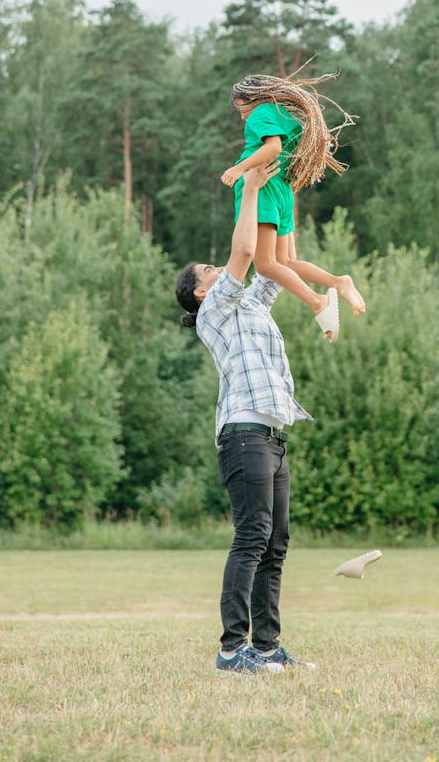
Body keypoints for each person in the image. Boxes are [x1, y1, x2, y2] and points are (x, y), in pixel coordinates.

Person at [175, 161, 315, 674]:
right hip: (243, 434)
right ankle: (232, 650)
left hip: (272, 435)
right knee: (252, 536)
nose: (219, 269)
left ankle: (267, 646)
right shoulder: (214, 313)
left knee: (275, 544)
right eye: (208, 272)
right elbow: (246, 251)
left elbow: (284, 261)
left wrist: (285, 191)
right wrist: (252, 185)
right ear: (200, 292)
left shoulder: (251, 306)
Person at [221, 72, 365, 342]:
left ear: (247, 99)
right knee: (285, 261)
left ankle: (317, 302)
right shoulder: (283, 116)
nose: (239, 114)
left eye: (238, 106)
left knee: (264, 265)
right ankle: (338, 282)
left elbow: (273, 148)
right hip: (283, 191)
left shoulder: (259, 114)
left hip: (264, 189)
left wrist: (238, 168)